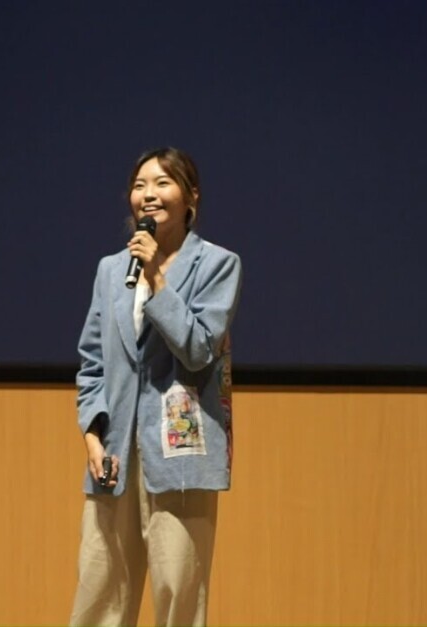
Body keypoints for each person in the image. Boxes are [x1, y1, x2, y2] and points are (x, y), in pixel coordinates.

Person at [69, 147, 242, 626]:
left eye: (163, 183)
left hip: (180, 455)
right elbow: (92, 362)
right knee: (98, 599)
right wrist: (92, 435)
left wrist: (157, 280)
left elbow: (199, 348)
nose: (148, 194)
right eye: (139, 184)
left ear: (191, 197)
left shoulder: (218, 265)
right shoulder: (111, 270)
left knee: (178, 601)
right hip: (114, 457)